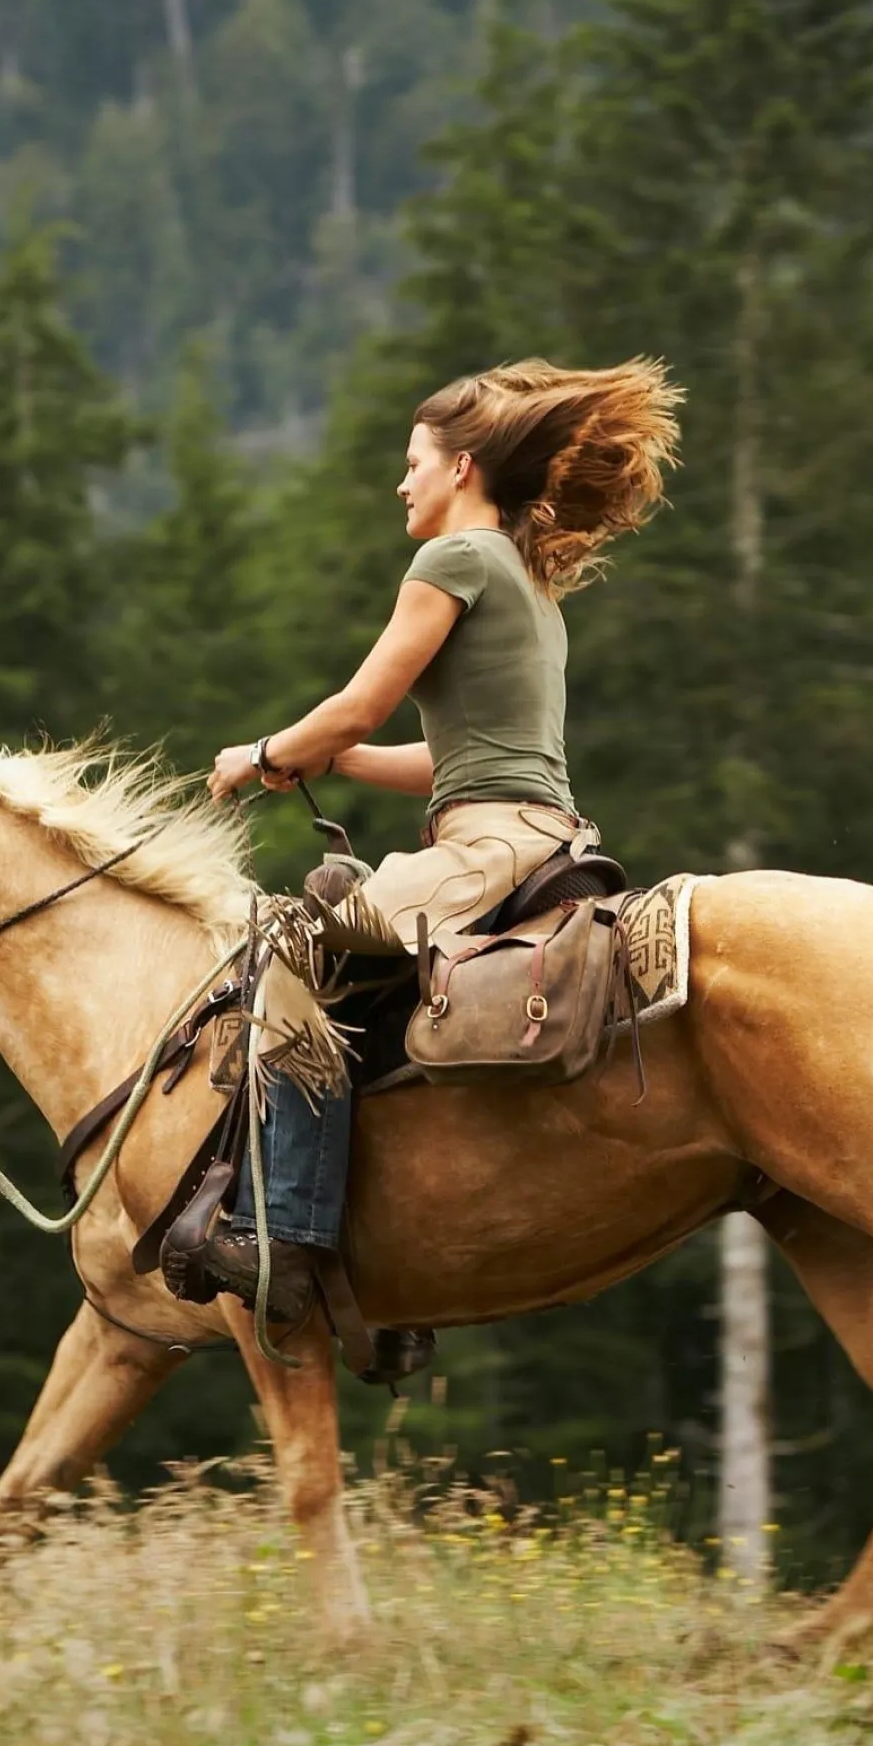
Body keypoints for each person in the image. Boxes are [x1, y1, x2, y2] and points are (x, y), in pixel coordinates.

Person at [200, 357, 680, 1322]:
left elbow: (358, 702)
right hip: (541, 836)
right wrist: (339, 761)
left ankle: (285, 1230)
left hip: (485, 851)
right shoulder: (530, 584)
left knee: (281, 944)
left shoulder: (453, 561)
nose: (402, 481)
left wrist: (257, 755)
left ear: (462, 468)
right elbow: (452, 756)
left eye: (413, 461)